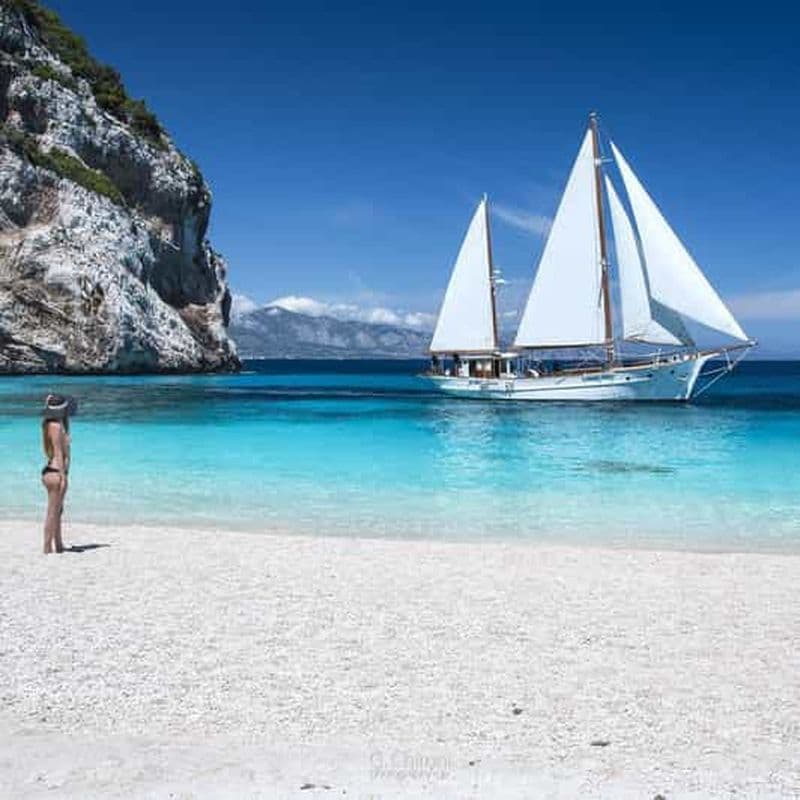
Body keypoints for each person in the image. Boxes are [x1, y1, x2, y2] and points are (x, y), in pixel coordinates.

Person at [41, 394, 77, 554]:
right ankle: (47, 547)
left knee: (58, 510)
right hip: (56, 472)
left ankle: (59, 544)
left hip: (54, 471)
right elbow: (57, 452)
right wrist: (63, 477)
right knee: (53, 511)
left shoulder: (54, 424)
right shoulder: (55, 426)